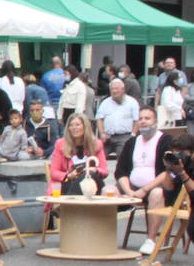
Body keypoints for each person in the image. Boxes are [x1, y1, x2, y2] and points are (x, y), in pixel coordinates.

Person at [114, 107, 175, 256]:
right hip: (132, 188)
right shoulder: (132, 142)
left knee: (156, 193)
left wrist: (145, 190)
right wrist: (129, 192)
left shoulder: (165, 140)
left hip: (157, 187)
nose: (143, 121)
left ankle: (151, 239)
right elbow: (120, 171)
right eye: (140, 119)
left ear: (155, 121)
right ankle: (105, 238)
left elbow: (168, 171)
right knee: (108, 191)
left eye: (147, 118)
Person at [49, 113, 108, 194]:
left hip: (92, 185)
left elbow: (104, 171)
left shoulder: (96, 144)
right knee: (83, 177)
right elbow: (53, 173)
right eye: (71, 125)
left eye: (77, 125)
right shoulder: (61, 144)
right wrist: (68, 175)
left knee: (89, 174)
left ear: (85, 127)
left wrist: (94, 170)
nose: (74, 128)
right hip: (68, 182)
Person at [95, 77, 140, 159]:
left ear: (123, 89)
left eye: (116, 89)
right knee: (98, 157)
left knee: (122, 159)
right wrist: (102, 133)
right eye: (112, 89)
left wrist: (133, 135)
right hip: (108, 137)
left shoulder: (132, 102)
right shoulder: (105, 103)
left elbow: (136, 120)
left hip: (125, 136)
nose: (114, 91)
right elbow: (99, 119)